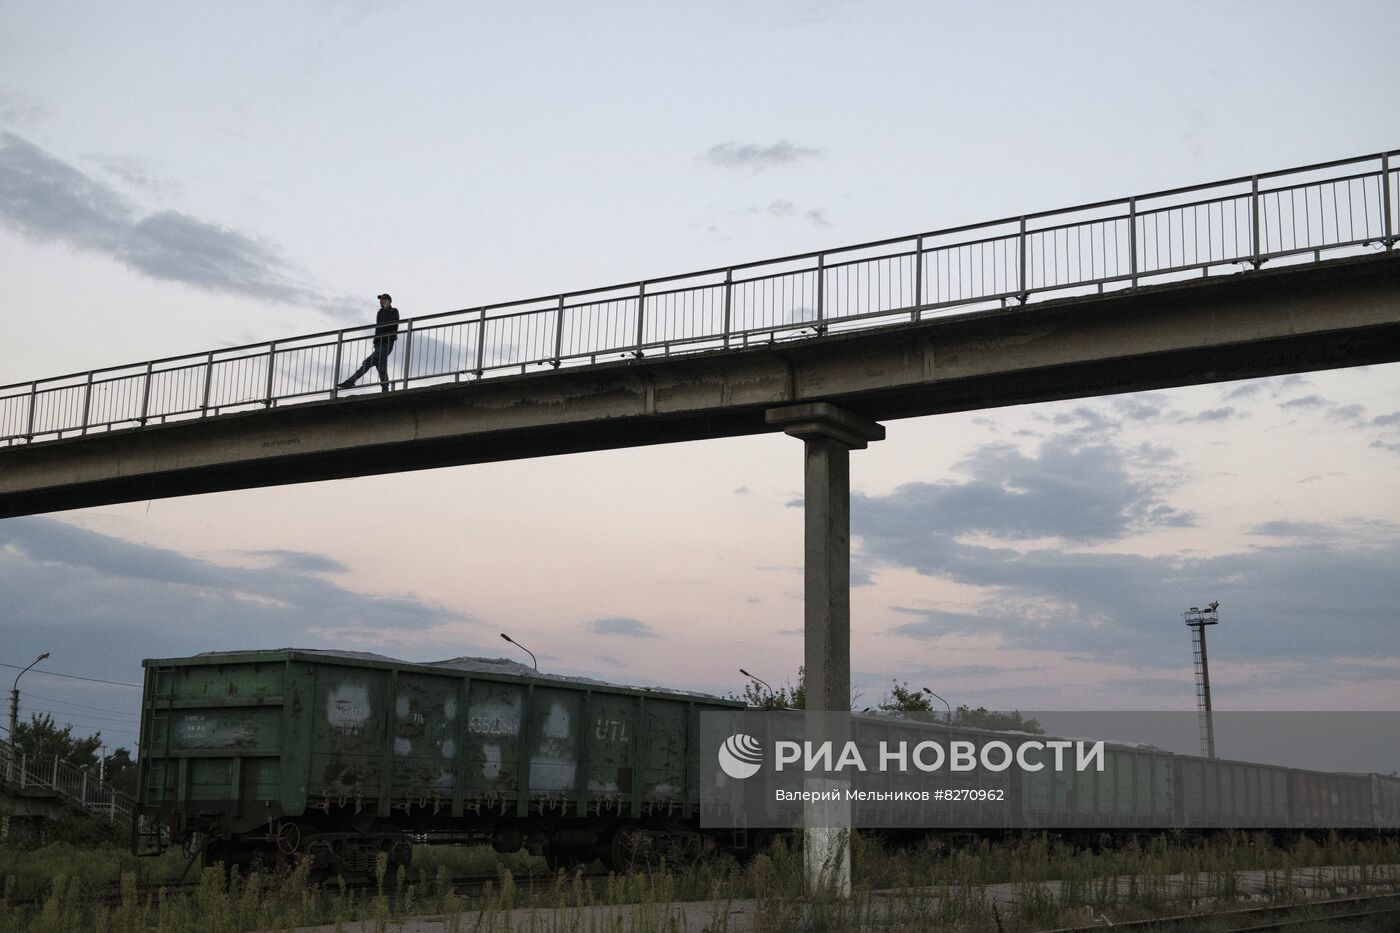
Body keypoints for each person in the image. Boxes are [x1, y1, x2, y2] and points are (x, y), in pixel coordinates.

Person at [339, 294, 400, 392]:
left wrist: (386, 309)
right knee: (381, 368)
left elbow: (391, 324)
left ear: (389, 301)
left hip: (387, 343)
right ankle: (385, 389)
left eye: (383, 299)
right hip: (379, 343)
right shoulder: (380, 313)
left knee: (368, 362)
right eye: (380, 300)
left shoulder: (393, 311)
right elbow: (379, 328)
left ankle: (350, 381)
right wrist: (375, 342)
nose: (381, 301)